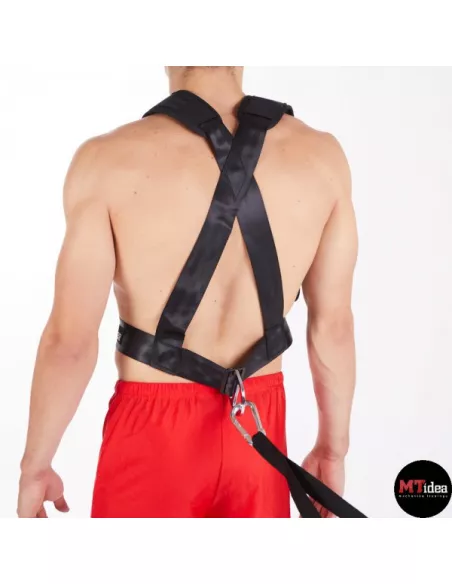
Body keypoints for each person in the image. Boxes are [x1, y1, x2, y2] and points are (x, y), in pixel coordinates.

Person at [17, 66, 358, 518]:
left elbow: (70, 342)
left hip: (152, 434)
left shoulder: (106, 163)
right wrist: (332, 451)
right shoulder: (322, 158)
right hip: (258, 428)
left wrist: (35, 466)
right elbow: (333, 327)